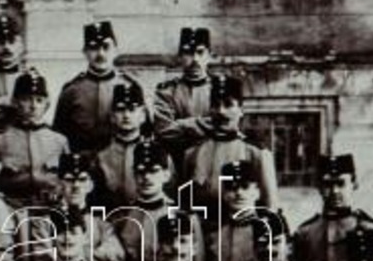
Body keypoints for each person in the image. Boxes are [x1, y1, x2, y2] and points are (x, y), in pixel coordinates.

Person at [292, 153, 373, 261]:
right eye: (328, 184)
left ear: (354, 184)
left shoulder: (371, 229)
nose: (335, 191)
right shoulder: (305, 233)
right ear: (319, 187)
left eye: (341, 183)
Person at [184, 74, 278, 215]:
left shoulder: (256, 153)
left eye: (228, 104)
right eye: (216, 105)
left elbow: (271, 207)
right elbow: (186, 205)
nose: (221, 111)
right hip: (204, 233)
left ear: (241, 110)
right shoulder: (193, 153)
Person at [53, 21, 143, 152]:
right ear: (85, 52)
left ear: (116, 50)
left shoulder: (129, 85)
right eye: (94, 48)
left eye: (106, 47)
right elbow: (59, 135)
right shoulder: (71, 91)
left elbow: (144, 131)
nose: (100, 54)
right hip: (82, 165)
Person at [0, 69, 70, 206]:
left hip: (50, 208)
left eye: (39, 100)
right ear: (15, 102)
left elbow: (67, 180)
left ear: (46, 104)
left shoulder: (59, 141)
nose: (33, 106)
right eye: (26, 99)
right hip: (12, 208)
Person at [151, 27, 217, 167]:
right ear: (180, 57)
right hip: (178, 163)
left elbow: (225, 125)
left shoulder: (219, 90)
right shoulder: (166, 92)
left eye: (200, 52)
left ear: (210, 55)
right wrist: (205, 125)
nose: (195, 59)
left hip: (213, 162)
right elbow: (163, 131)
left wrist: (181, 124)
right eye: (188, 53)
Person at [206, 162, 276, 261]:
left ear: (257, 192)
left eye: (245, 186)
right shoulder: (213, 231)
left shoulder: (270, 228)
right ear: (224, 194)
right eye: (232, 187)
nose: (238, 193)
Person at [92, 78, 151, 207]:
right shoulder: (101, 158)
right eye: (120, 109)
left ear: (142, 116)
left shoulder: (156, 153)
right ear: (112, 117)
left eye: (132, 109)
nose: (126, 115)